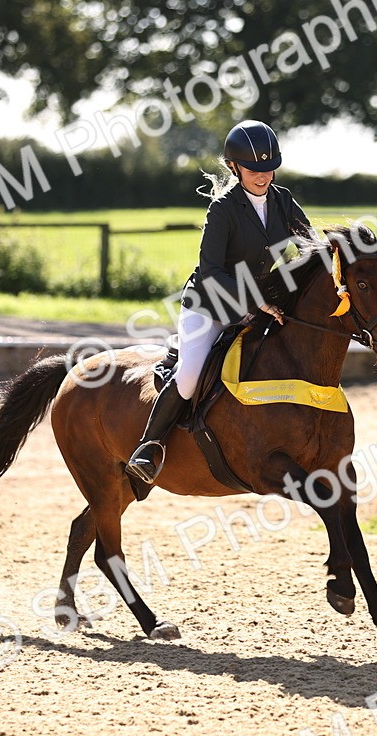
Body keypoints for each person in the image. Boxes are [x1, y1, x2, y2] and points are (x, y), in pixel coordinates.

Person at [125, 120, 311, 485]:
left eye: (269, 167)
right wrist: (257, 301)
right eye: (254, 169)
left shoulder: (283, 200)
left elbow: (309, 244)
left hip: (257, 305)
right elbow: (212, 272)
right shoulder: (223, 209)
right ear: (234, 167)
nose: (263, 175)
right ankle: (148, 447)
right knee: (190, 376)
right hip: (209, 306)